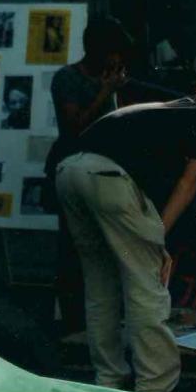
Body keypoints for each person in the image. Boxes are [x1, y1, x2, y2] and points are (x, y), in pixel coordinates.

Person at [55, 81, 196, 392]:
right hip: (108, 178)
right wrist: (158, 238)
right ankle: (155, 386)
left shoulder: (168, 112)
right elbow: (187, 185)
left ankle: (108, 378)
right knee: (146, 285)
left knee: (100, 284)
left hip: (68, 172)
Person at [46, 17, 133, 333]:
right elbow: (75, 127)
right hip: (71, 166)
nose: (118, 61)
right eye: (114, 53)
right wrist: (104, 92)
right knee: (72, 247)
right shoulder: (67, 78)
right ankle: (71, 322)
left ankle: (104, 318)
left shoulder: (110, 78)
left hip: (104, 169)